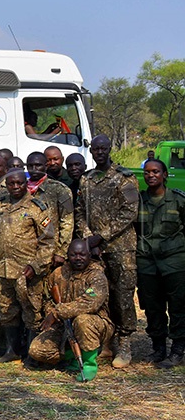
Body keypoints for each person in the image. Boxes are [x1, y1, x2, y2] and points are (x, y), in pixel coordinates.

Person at [75, 135, 139, 368]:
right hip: (94, 249)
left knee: (122, 295)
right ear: (91, 151)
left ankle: (125, 342)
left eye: (103, 148)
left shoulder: (124, 177)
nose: (99, 152)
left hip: (121, 247)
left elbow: (130, 211)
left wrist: (101, 236)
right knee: (100, 294)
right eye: (95, 149)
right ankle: (107, 340)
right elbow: (80, 210)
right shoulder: (87, 179)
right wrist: (87, 238)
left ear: (110, 149)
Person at [0, 169, 55, 363]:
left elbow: (48, 241)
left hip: (27, 271)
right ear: (6, 185)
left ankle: (31, 353)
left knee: (31, 310)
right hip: (2, 269)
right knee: (6, 310)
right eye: (11, 184)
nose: (16, 187)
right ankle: (12, 350)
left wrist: (36, 266)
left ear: (26, 184)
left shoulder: (36, 207)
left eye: (20, 184)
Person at [29, 240, 114, 382]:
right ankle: (72, 354)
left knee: (83, 320)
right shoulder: (58, 274)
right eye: (74, 255)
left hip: (96, 324)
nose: (78, 258)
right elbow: (47, 299)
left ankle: (88, 364)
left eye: (82, 254)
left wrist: (57, 312)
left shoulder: (96, 275)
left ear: (89, 255)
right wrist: (52, 311)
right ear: (68, 255)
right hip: (64, 326)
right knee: (36, 350)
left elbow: (89, 303)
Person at [135, 158, 185, 367]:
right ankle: (158, 348)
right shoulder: (139, 201)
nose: (151, 175)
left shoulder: (178, 200)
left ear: (165, 175)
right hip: (147, 263)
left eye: (155, 171)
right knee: (153, 307)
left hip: (174, 262)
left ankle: (177, 349)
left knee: (178, 306)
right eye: (147, 172)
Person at [26, 151, 74, 270]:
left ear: (45, 166)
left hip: (51, 254)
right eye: (31, 166)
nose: (34, 169)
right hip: (27, 252)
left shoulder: (60, 190)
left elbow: (67, 222)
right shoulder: (21, 190)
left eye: (38, 165)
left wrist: (61, 252)